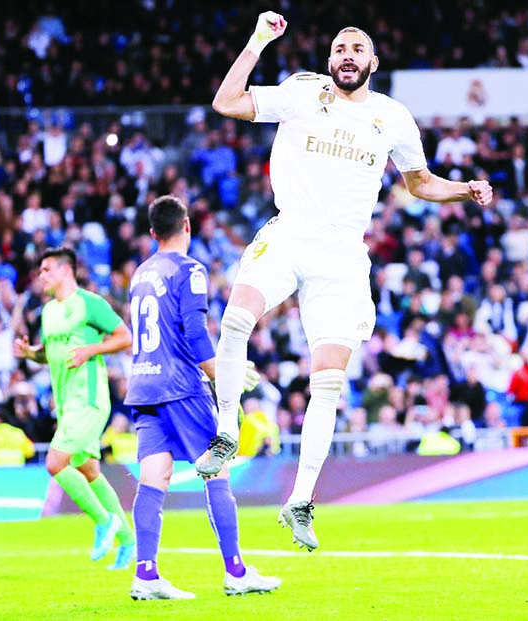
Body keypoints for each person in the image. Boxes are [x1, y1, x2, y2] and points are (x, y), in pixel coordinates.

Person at [199, 12, 493, 551]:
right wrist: (259, 41)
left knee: (328, 384)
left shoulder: (393, 117)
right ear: (330, 60)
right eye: (339, 48)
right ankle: (225, 434)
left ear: (373, 63)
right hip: (289, 234)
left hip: (342, 259)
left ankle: (300, 502)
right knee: (236, 317)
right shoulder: (301, 93)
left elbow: (420, 183)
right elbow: (226, 102)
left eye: (357, 49)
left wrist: (464, 190)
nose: (347, 55)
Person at [125, 195, 280, 600]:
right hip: (181, 385)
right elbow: (194, 331)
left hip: (144, 385)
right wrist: (220, 374)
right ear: (188, 226)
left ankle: (146, 573)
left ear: (153, 232)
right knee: (218, 470)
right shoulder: (190, 270)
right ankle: (236, 572)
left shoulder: (140, 273)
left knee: (153, 477)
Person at [13, 246, 135, 568]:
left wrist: (91, 350)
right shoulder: (48, 311)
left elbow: (126, 337)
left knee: (55, 463)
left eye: (47, 269)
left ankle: (103, 521)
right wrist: (31, 354)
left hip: (90, 398)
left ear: (66, 270)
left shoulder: (90, 303)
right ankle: (128, 540)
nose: (41, 276)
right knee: (89, 470)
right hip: (66, 403)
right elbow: (51, 351)